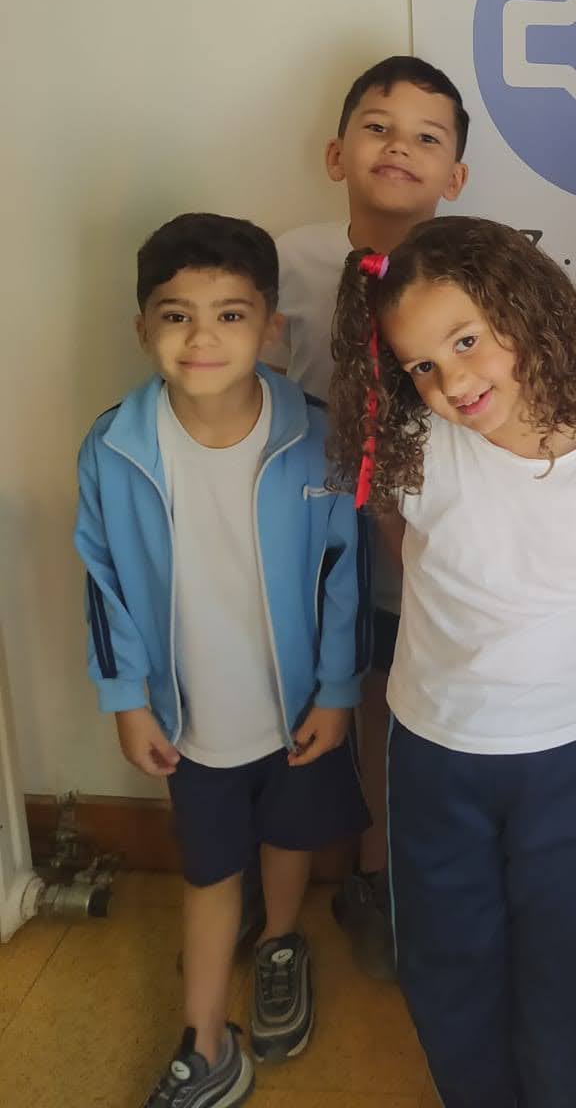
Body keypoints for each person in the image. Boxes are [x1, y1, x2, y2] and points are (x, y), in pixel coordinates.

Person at [325, 216, 576, 1108]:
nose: (453, 382)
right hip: (432, 760)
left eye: (466, 342)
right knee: (449, 978)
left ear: (525, 310)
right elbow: (410, 553)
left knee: (565, 991)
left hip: (571, 768)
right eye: (422, 366)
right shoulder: (414, 449)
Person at [76, 213, 369, 1107]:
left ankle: (280, 941)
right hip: (188, 715)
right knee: (208, 872)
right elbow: (104, 581)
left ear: (271, 326)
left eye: (230, 315)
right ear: (142, 327)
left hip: (297, 706)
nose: (202, 338)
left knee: (288, 839)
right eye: (177, 315)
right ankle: (204, 1044)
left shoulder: (317, 435)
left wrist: (338, 690)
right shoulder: (115, 447)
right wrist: (127, 698)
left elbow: (345, 575)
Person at [264, 54, 468, 975]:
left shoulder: (473, 272)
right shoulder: (283, 261)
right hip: (308, 533)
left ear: (455, 176)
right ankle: (313, 886)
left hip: (419, 535)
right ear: (335, 152)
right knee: (322, 698)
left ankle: (399, 877)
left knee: (402, 699)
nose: (400, 148)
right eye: (378, 127)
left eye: (427, 137)